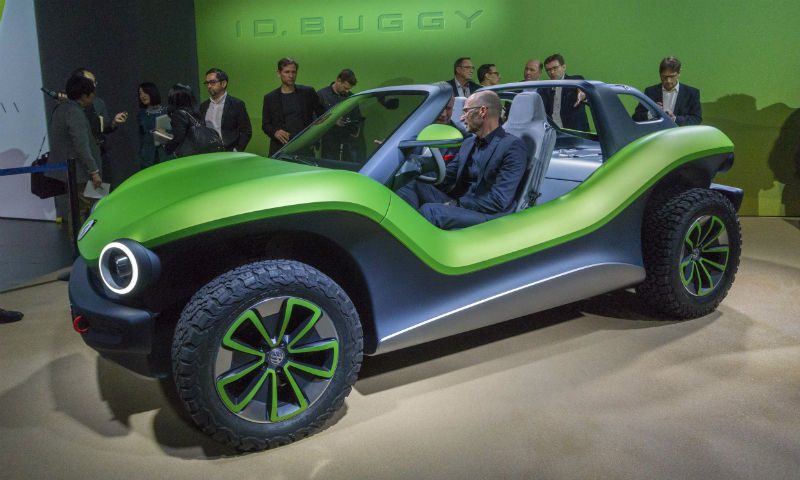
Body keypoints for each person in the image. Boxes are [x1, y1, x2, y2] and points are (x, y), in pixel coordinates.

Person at [396, 90, 527, 229]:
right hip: (463, 204)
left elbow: (499, 200)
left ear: (482, 111)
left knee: (430, 211)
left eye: (465, 112)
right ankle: (401, 232)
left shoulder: (512, 146)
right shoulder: (468, 143)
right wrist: (415, 166)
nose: (461, 118)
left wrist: (456, 204)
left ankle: (407, 236)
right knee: (409, 182)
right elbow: (447, 176)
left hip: (489, 213)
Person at [48, 74, 103, 226]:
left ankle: (77, 240)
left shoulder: (60, 109)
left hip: (71, 173)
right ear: (84, 95)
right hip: (81, 174)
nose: (93, 96)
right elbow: (81, 145)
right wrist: (94, 171)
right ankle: (82, 241)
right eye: (92, 93)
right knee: (86, 212)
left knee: (76, 211)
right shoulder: (74, 112)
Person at [71, 68, 128, 184]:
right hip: (79, 160)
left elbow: (104, 127)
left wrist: (114, 122)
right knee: (83, 192)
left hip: (99, 155)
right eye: (90, 82)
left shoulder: (98, 103)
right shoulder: (69, 104)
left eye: (94, 82)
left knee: (102, 191)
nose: (94, 85)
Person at [261, 57, 324, 156]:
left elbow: (323, 114)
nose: (291, 76)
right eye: (287, 72)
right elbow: (265, 124)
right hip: (280, 148)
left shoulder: (308, 92)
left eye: (293, 72)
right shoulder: (270, 98)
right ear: (279, 73)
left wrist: (314, 134)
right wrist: (275, 132)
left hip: (304, 148)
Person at [632, 56, 702, 126]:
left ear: (679, 72)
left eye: (672, 76)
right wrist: (651, 114)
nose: (668, 81)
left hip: (680, 132)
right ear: (659, 74)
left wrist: (675, 119)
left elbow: (697, 119)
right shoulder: (650, 92)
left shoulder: (692, 93)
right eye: (664, 77)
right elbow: (636, 117)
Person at [199, 68, 252, 151]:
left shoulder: (236, 104)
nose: (209, 86)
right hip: (208, 152)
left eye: (212, 82)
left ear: (223, 83)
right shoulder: (203, 106)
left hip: (229, 151)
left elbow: (246, 130)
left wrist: (236, 150)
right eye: (207, 83)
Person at [317, 69, 361, 161]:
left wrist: (356, 129)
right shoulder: (322, 95)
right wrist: (332, 120)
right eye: (345, 88)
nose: (347, 91)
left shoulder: (352, 98)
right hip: (328, 143)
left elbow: (357, 117)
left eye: (349, 89)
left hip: (347, 144)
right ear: (339, 80)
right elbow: (315, 118)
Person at [540, 54, 590, 131]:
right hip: (554, 132)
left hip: (575, 132)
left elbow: (585, 93)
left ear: (563, 67)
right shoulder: (545, 88)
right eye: (548, 70)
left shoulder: (574, 81)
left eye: (555, 68)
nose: (552, 72)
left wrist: (583, 96)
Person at [162, 83, 203, 157]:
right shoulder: (195, 113)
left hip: (188, 155)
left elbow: (179, 138)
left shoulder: (178, 114)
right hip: (200, 153)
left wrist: (167, 147)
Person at [136, 82, 169, 169]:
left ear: (152, 93)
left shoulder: (166, 111)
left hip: (165, 156)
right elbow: (141, 137)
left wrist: (164, 134)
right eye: (140, 93)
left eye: (145, 92)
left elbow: (176, 135)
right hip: (148, 158)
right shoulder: (141, 115)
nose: (142, 96)